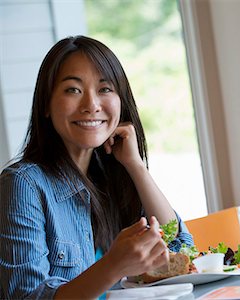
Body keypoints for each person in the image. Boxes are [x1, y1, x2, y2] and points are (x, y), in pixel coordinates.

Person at [0, 35, 194, 299]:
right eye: (73, 90)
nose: (91, 105)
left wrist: (135, 166)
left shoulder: (114, 176)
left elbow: (179, 251)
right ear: (46, 104)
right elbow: (27, 296)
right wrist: (113, 266)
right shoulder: (22, 184)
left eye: (104, 89)